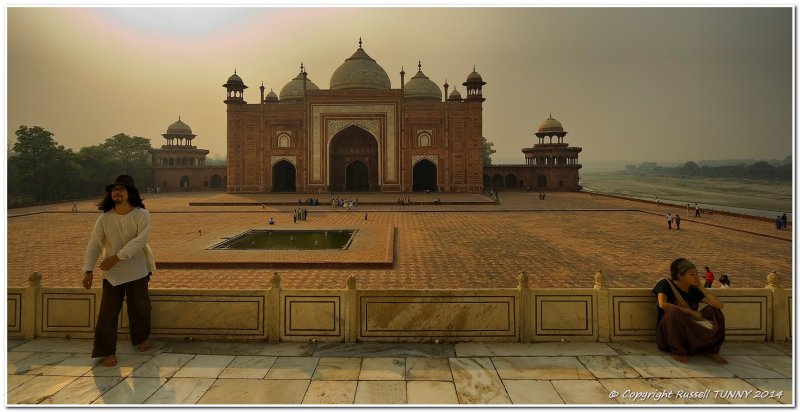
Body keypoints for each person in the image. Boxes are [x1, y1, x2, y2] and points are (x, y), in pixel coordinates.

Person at [82, 175, 153, 367]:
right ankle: (106, 351)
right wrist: (87, 270)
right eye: (114, 189)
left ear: (130, 193)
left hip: (137, 268)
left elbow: (141, 241)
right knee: (108, 312)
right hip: (113, 273)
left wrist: (117, 257)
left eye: (121, 188)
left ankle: (140, 338)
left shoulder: (141, 215)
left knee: (140, 307)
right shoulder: (105, 218)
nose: (117, 192)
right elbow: (94, 245)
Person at [652, 258, 727, 364]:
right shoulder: (666, 284)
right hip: (670, 330)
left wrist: (701, 287)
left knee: (714, 311)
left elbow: (719, 305)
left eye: (696, 273)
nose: (696, 276)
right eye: (692, 274)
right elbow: (663, 304)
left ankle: (711, 350)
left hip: (689, 327)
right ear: (680, 276)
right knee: (674, 312)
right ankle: (677, 350)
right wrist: (690, 312)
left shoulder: (693, 290)